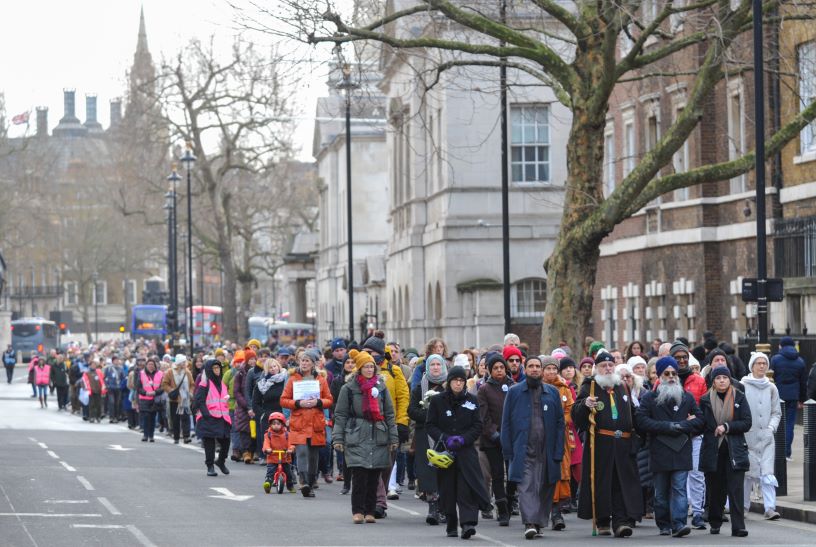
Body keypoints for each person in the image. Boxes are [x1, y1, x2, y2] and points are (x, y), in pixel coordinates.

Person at [572, 351, 642, 537]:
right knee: (602, 482)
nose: (608, 368)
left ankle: (620, 522)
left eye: (611, 365)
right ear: (597, 368)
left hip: (623, 444)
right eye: (604, 365)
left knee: (621, 482)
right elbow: (577, 415)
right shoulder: (590, 387)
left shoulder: (622, 387)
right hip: (601, 444)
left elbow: (633, 413)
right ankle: (603, 520)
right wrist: (585, 405)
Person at [635, 356, 704, 537]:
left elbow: (700, 419)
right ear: (659, 376)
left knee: (680, 489)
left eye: (674, 373)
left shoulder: (687, 397)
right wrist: (666, 427)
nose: (671, 376)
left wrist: (683, 426)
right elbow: (641, 421)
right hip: (660, 450)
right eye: (667, 373)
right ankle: (664, 524)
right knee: (661, 492)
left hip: (681, 449)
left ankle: (679, 524)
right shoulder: (650, 398)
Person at [501, 355, 565, 540]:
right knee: (526, 485)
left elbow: (560, 423)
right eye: (531, 366)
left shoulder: (552, 392)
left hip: (547, 448)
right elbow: (506, 423)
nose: (535, 369)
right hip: (523, 448)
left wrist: (558, 450)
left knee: (546, 485)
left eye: (538, 366)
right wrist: (508, 450)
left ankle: (538, 522)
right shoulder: (514, 392)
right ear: (525, 368)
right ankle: (529, 522)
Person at [333, 349, 399, 523]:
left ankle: (370, 511)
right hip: (357, 433)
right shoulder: (348, 389)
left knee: (374, 475)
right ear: (359, 368)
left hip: (378, 433)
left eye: (372, 366)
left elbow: (390, 414)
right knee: (359, 475)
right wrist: (338, 438)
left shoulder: (381, 387)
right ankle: (358, 511)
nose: (370, 369)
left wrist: (393, 438)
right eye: (366, 367)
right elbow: (340, 415)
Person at [427, 366, 492, 539]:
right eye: (455, 380)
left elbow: (478, 425)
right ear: (449, 382)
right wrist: (445, 438)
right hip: (445, 453)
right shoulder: (438, 401)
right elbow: (430, 424)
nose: (458, 383)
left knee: (467, 487)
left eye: (462, 380)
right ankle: (451, 524)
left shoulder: (472, 400)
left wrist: (464, 439)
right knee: (448, 489)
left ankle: (468, 523)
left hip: (466, 451)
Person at [699, 366, 751, 537]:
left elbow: (746, 422)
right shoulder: (705, 399)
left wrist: (727, 427)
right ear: (713, 381)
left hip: (734, 450)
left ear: (730, 380)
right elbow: (702, 424)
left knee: (736, 490)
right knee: (715, 490)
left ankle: (738, 527)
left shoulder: (740, 397)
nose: (722, 380)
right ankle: (715, 521)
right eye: (718, 378)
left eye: (725, 377)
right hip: (713, 450)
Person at [362, 335, 409, 516]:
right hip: (368, 426)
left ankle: (376, 497)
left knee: (387, 464)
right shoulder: (363, 371)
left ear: (380, 353)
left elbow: (403, 397)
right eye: (365, 352)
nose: (367, 356)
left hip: (390, 426)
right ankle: (379, 502)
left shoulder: (393, 371)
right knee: (374, 463)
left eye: (371, 352)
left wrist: (402, 423)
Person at [280, 349, 333, 497]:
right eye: (302, 360)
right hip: (299, 422)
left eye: (307, 361)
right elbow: (283, 400)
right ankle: (303, 482)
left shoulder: (321, 380)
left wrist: (318, 401)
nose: (304, 363)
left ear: (313, 363)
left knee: (313, 456)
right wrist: (298, 403)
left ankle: (310, 482)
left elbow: (329, 399)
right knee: (302, 452)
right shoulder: (293, 379)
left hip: (316, 422)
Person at [667, 340, 707, 528]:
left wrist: (696, 420)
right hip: (672, 437)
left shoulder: (698, 380)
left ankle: (698, 512)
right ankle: (677, 512)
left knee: (697, 474)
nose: (682, 361)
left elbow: (704, 408)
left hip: (695, 435)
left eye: (685, 357)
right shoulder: (664, 379)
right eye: (677, 358)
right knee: (677, 477)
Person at [740, 352, 782, 520]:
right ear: (752, 366)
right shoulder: (743, 385)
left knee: (767, 473)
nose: (762, 366)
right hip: (747, 436)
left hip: (766, 438)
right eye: (758, 363)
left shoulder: (772, 387)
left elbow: (776, 412)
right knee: (746, 474)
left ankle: (770, 507)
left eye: (764, 363)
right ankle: (742, 506)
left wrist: (771, 428)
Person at [409, 353, 448, 524]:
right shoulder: (419, 387)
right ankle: (433, 508)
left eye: (438, 365)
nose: (435, 368)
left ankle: (445, 508)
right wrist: (429, 415)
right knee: (429, 470)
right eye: (432, 365)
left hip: (445, 434)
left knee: (445, 469)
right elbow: (411, 411)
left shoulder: (449, 386)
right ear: (427, 367)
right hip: (425, 434)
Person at [477, 353, 514, 527]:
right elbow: (483, 417)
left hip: (513, 438)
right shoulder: (484, 389)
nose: (499, 371)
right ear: (490, 371)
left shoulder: (513, 386)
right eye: (495, 368)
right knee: (498, 475)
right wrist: (494, 435)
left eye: (501, 367)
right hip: (493, 440)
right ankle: (502, 509)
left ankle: (510, 501)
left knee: (513, 475)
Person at [541, 355, 575, 532]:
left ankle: (557, 512)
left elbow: (570, 410)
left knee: (561, 471)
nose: (552, 372)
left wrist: (560, 422)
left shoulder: (565, 389)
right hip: (541, 437)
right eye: (549, 369)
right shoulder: (538, 388)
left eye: (555, 369)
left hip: (560, 437)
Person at [770, 336, 807, 461]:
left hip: (778, 395)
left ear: (781, 345)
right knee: (790, 424)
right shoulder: (800, 361)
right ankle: (786, 453)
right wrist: (802, 399)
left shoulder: (775, 359)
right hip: (793, 396)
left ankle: (778, 451)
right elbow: (803, 382)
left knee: (778, 422)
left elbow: (771, 377)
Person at [194, 359, 232, 476]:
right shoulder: (205, 383)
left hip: (222, 417)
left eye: (218, 368)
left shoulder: (222, 384)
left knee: (226, 441)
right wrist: (206, 414)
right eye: (215, 368)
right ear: (210, 369)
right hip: (208, 417)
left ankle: (220, 461)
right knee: (209, 442)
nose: (217, 370)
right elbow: (199, 400)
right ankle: (210, 466)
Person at [331, 355, 356, 493]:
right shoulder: (337, 381)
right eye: (348, 362)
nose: (350, 365)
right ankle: (346, 483)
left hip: (356, 420)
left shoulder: (360, 381)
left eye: (353, 362)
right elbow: (333, 400)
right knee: (345, 453)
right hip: (343, 419)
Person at [162, 354, 194, 444]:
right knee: (175, 419)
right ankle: (176, 436)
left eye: (185, 362)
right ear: (179, 363)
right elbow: (164, 384)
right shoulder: (170, 372)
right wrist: (171, 390)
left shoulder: (187, 372)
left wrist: (191, 392)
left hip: (185, 399)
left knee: (186, 418)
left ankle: (186, 436)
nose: (185, 364)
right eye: (183, 362)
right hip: (175, 400)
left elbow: (192, 384)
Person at [262, 412, 295, 493]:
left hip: (285, 458)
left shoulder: (287, 434)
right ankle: (268, 484)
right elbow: (266, 443)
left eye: (278, 423)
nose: (276, 425)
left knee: (289, 473)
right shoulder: (268, 434)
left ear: (282, 424)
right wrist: (267, 449)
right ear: (270, 424)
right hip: (272, 458)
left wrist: (290, 449)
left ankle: (290, 486)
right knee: (270, 472)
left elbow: (291, 443)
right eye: (273, 424)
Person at [136, 357, 163, 441]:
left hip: (155, 399)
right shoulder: (141, 373)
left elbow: (163, 387)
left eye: (152, 364)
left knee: (152, 417)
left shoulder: (160, 374)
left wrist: (155, 392)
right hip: (144, 398)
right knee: (146, 417)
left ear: (155, 365)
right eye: (149, 364)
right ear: (146, 365)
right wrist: (146, 393)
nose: (151, 366)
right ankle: (145, 435)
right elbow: (138, 387)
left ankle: (151, 435)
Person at [104, 356, 125, 423]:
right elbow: (105, 377)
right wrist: (107, 385)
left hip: (118, 388)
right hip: (110, 388)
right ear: (112, 361)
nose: (117, 361)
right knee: (111, 402)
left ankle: (116, 417)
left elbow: (123, 378)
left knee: (117, 403)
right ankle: (111, 417)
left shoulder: (120, 368)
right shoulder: (108, 368)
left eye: (117, 360)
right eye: (115, 360)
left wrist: (121, 385)